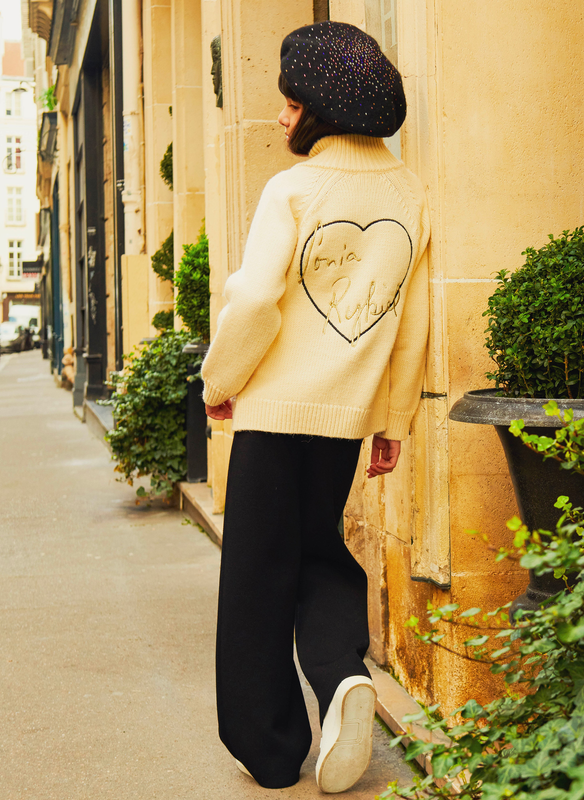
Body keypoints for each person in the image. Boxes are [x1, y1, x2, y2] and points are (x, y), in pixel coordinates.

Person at [201, 20, 430, 793]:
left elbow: (254, 299)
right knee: (317, 551)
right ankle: (341, 676)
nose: (280, 117)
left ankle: (270, 750)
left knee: (258, 573)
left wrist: (219, 380)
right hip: (344, 423)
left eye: (291, 104)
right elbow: (412, 323)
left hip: (274, 416)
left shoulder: (293, 189)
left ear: (323, 110)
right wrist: (392, 422)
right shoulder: (412, 195)